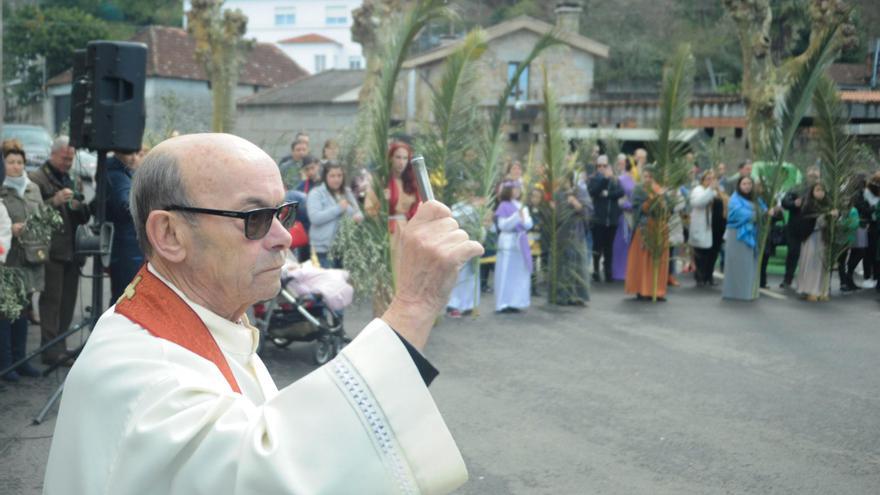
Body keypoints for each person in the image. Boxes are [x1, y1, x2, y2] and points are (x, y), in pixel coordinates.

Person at [43, 133, 481, 494]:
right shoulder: (146, 376)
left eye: (283, 212)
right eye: (254, 217)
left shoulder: (211, 317)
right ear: (169, 233)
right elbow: (271, 476)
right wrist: (414, 305)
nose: (284, 237)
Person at [29, 136, 91, 366]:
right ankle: (48, 349)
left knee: (67, 303)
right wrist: (54, 201)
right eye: (65, 158)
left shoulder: (74, 179)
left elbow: (85, 217)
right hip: (50, 249)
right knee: (51, 301)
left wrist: (79, 207)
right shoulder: (37, 178)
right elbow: (31, 216)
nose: (68, 163)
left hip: (73, 249)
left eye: (71, 159)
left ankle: (61, 346)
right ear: (53, 154)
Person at [0, 142, 44, 380]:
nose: (15, 167)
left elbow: (43, 218)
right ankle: (6, 365)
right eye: (10, 162)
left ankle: (21, 360)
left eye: (19, 162)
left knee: (25, 309)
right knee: (7, 312)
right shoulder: (1, 191)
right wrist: (12, 230)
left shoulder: (32, 189)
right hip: (8, 260)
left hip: (29, 257)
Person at [625, 167, 670, 301]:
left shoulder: (661, 190)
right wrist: (652, 200)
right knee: (643, 261)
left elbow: (668, 207)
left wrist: (662, 200)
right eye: (646, 176)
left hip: (660, 229)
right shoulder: (638, 190)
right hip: (644, 229)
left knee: (658, 261)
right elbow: (637, 208)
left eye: (651, 176)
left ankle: (658, 290)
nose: (648, 179)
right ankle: (642, 289)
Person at [306, 161, 362, 268]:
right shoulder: (316, 193)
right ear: (325, 176)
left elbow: (358, 212)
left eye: (339, 175)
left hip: (345, 248)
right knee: (328, 283)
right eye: (332, 176)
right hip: (323, 250)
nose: (336, 179)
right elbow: (315, 218)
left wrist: (357, 218)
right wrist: (339, 208)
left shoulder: (346, 192)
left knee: (344, 283)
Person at [722, 176, 769, 301]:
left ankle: (748, 291)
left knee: (749, 264)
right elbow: (739, 213)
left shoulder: (756, 199)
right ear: (739, 185)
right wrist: (759, 213)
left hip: (752, 233)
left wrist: (769, 212)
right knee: (738, 264)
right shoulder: (734, 199)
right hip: (737, 234)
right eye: (744, 183)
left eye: (749, 183)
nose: (747, 186)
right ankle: (735, 292)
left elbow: (764, 210)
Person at [106, 150, 144, 302]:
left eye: (139, 154)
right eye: (132, 153)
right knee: (125, 298)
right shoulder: (118, 176)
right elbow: (125, 205)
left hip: (128, 247)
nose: (135, 158)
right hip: (126, 249)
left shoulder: (124, 173)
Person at [364, 141, 421, 233]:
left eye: (405, 158)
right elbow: (369, 209)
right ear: (391, 158)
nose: (401, 162)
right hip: (388, 231)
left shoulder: (412, 182)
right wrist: (382, 201)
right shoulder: (381, 182)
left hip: (410, 230)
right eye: (398, 157)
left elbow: (419, 207)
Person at [793, 182, 837, 301]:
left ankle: (821, 290)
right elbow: (806, 221)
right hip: (811, 237)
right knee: (810, 263)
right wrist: (825, 216)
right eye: (817, 190)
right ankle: (808, 290)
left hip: (824, 238)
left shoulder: (829, 204)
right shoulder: (808, 204)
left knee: (822, 264)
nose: (820, 192)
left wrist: (834, 216)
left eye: (822, 190)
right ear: (812, 191)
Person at [780, 165, 821, 288]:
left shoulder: (822, 190)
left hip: (813, 229)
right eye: (811, 175)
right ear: (807, 175)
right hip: (795, 228)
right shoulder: (797, 188)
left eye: (815, 175)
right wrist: (794, 203)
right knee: (793, 253)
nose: (813, 177)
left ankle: (808, 283)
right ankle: (787, 279)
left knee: (811, 257)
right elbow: (784, 202)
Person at [494, 185, 533, 313]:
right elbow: (503, 225)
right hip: (507, 241)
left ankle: (516, 301)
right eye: (514, 189)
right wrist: (516, 216)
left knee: (519, 273)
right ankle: (503, 303)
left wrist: (523, 219)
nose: (517, 191)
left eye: (518, 189)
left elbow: (528, 224)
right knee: (506, 271)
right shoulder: (503, 205)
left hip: (521, 241)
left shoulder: (522, 206)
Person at [588, 154, 623, 283]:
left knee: (609, 248)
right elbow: (593, 192)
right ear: (596, 167)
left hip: (612, 220)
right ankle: (596, 271)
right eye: (599, 165)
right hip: (599, 219)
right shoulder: (594, 179)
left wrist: (608, 194)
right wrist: (605, 180)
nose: (602, 168)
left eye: (604, 165)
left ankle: (608, 271)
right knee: (597, 246)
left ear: (609, 166)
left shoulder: (616, 180)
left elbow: (621, 192)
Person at [689, 170, 722, 287]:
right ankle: (700, 277)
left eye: (713, 179)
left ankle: (709, 276)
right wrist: (710, 190)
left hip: (714, 226)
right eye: (708, 178)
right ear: (702, 180)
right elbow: (699, 202)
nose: (711, 181)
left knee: (712, 254)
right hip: (702, 225)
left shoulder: (717, 191)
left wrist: (716, 191)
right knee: (700, 253)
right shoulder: (698, 190)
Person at [611, 154, 636, 281]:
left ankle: (631, 271)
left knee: (633, 243)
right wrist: (627, 205)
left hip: (635, 214)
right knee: (622, 242)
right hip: (624, 215)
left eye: (623, 162)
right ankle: (620, 272)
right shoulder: (619, 179)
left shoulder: (636, 179)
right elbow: (618, 198)